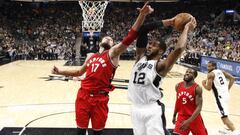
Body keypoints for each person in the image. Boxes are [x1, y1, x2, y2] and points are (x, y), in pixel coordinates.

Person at [52, 2, 153, 135]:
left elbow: (130, 37)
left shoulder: (112, 54)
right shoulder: (92, 57)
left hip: (100, 99)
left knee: (98, 133)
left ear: (112, 45)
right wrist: (60, 71)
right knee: (80, 131)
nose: (108, 38)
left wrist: (142, 15)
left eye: (111, 39)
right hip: (83, 96)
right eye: (106, 37)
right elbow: (78, 72)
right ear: (100, 42)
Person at [127, 14, 197, 135]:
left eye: (154, 45)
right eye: (150, 44)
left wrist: (186, 29)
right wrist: (169, 21)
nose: (149, 46)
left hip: (152, 109)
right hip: (135, 109)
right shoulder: (140, 58)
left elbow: (179, 49)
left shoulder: (161, 66)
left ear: (160, 51)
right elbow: (143, 29)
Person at [202, 61, 237, 134]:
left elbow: (208, 88)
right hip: (226, 95)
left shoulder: (210, 74)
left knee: (224, 117)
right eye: (207, 66)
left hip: (220, 97)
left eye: (209, 66)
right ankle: (228, 129)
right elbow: (232, 79)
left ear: (213, 67)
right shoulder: (221, 71)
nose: (207, 68)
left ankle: (235, 131)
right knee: (224, 114)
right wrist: (228, 89)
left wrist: (203, 84)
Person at [172, 68, 208, 135]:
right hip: (181, 117)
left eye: (190, 72)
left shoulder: (197, 88)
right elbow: (178, 102)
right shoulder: (178, 86)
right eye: (187, 72)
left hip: (194, 118)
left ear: (194, 76)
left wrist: (189, 121)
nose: (187, 73)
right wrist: (174, 115)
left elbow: (199, 107)